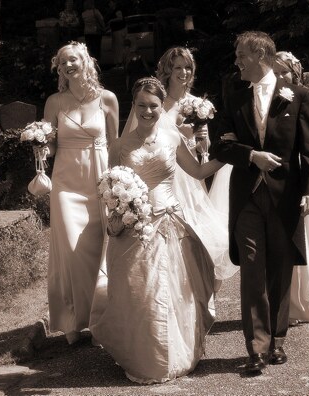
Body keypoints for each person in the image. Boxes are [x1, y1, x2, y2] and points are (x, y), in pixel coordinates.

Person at [91, 77, 224, 384]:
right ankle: (143, 357)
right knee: (138, 291)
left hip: (169, 220)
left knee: (174, 290)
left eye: (153, 106)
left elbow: (198, 171)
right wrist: (115, 221)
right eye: (141, 105)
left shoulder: (174, 139)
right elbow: (110, 187)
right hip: (133, 225)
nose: (147, 111)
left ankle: (174, 353)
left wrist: (230, 155)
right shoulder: (119, 146)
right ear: (133, 106)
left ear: (161, 106)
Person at [211, 31, 309, 373]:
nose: (237, 61)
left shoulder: (298, 96)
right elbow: (220, 146)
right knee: (252, 269)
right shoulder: (233, 95)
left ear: (260, 55)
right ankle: (256, 348)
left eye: (241, 55)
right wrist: (251, 156)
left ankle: (278, 339)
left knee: (279, 269)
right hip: (246, 195)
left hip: (284, 196)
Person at [43, 41, 119, 345]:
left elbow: (116, 144)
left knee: (102, 247)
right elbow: (49, 145)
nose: (67, 66)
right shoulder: (54, 102)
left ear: (86, 62)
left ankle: (102, 318)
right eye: (62, 63)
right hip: (66, 181)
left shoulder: (107, 99)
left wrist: (119, 181)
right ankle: (73, 320)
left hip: (100, 177)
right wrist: (39, 144)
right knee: (72, 251)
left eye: (72, 60)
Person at [154, 46, 238, 284]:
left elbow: (205, 149)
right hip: (164, 175)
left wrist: (201, 138)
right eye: (177, 67)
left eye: (187, 67)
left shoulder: (197, 104)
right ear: (168, 71)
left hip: (191, 177)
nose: (183, 72)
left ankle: (203, 295)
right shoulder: (156, 104)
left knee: (205, 238)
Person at [273, 50, 309, 324]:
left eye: (285, 72)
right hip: (282, 181)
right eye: (276, 72)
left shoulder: (303, 96)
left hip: (301, 180)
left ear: (295, 72)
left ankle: (304, 301)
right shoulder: (268, 99)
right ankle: (285, 304)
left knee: (302, 239)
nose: (281, 77)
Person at [106, 0, 127, 67]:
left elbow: (120, 18)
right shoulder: (112, 11)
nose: (109, 4)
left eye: (110, 3)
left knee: (119, 47)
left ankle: (120, 62)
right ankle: (118, 62)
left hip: (119, 30)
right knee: (116, 47)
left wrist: (111, 20)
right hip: (115, 31)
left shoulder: (117, 10)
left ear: (114, 3)